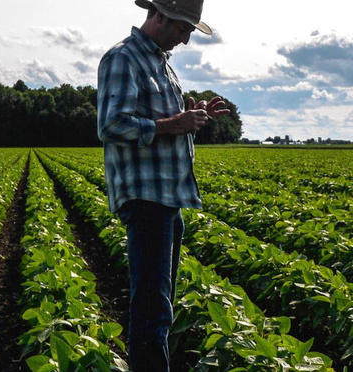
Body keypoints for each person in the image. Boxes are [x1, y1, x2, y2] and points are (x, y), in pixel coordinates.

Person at [96, 0, 230, 371]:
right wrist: (174, 123)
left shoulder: (162, 64)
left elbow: (166, 122)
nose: (185, 39)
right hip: (146, 199)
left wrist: (193, 115)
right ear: (159, 16)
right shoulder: (124, 58)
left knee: (161, 309)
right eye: (182, 28)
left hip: (168, 198)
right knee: (153, 313)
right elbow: (111, 125)